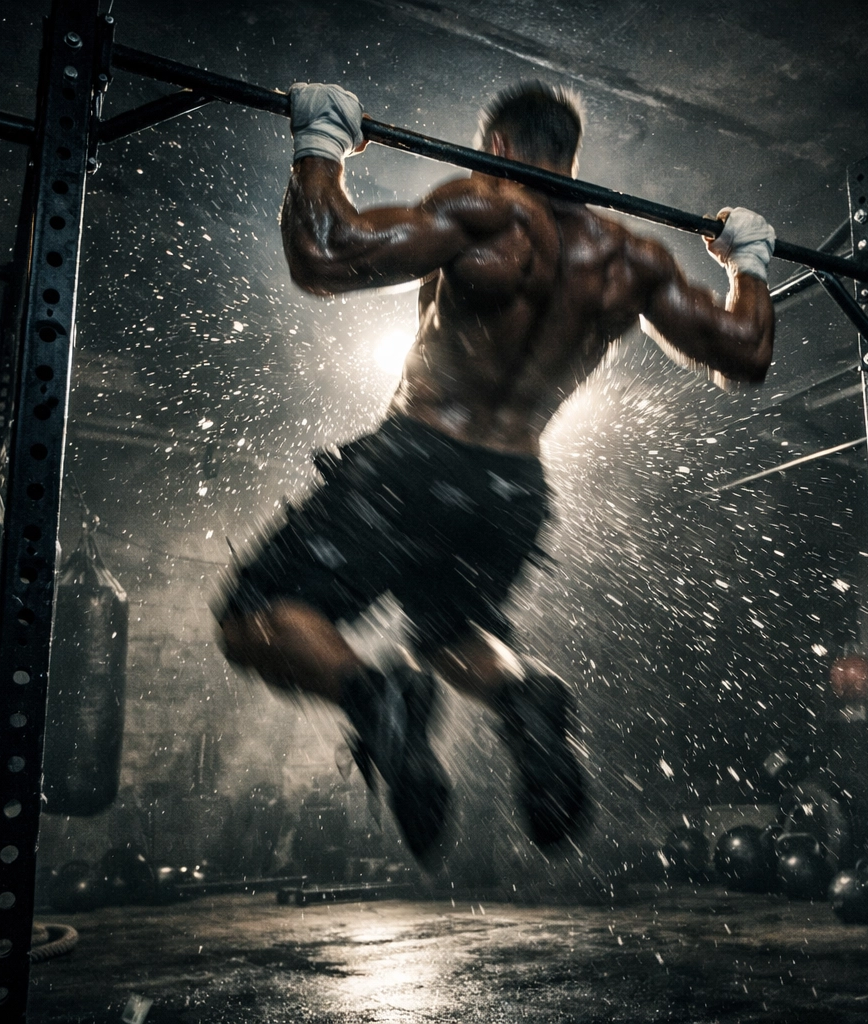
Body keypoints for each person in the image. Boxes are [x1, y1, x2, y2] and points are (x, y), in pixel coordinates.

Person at [216, 80, 776, 862]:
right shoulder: (635, 259)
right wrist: (747, 261)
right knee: (449, 631)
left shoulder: (486, 210)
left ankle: (372, 696)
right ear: (569, 156)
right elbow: (745, 354)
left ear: (500, 147)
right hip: (513, 487)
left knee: (253, 612)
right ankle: (524, 695)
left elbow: (323, 254)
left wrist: (321, 144)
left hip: (416, 458)